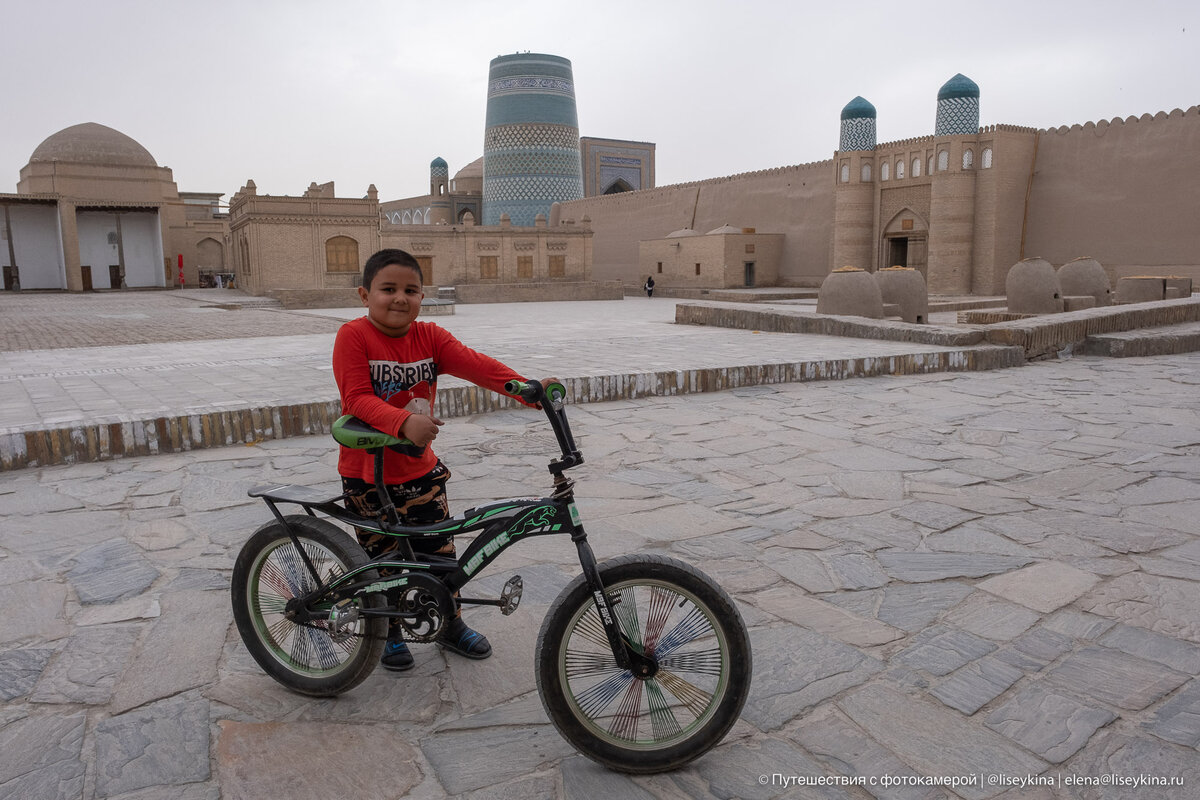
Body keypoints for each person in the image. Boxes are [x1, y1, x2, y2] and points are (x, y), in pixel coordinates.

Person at [333, 247, 549, 672]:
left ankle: (449, 624)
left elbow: (475, 365)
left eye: (410, 290)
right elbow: (355, 399)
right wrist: (402, 424)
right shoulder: (353, 336)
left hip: (420, 472)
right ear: (364, 295)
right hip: (368, 476)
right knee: (384, 560)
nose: (400, 298)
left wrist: (525, 388)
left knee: (440, 556)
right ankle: (389, 632)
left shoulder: (430, 336)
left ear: (422, 295)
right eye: (388, 289)